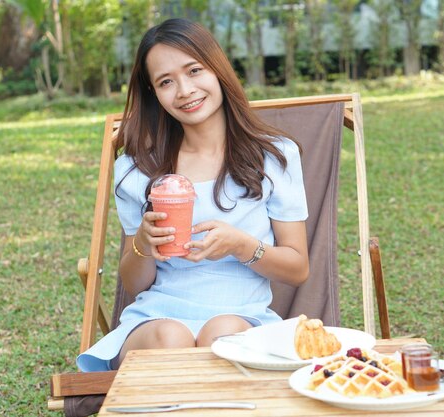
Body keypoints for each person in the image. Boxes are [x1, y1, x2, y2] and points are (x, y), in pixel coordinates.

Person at [76, 18, 309, 372]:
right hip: (157, 317)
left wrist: (240, 245)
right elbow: (134, 282)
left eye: (194, 70)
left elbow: (297, 268)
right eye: (166, 81)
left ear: (217, 70)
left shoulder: (274, 156)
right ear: (154, 93)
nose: (184, 90)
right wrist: (142, 242)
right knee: (170, 336)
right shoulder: (137, 171)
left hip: (243, 315)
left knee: (224, 335)